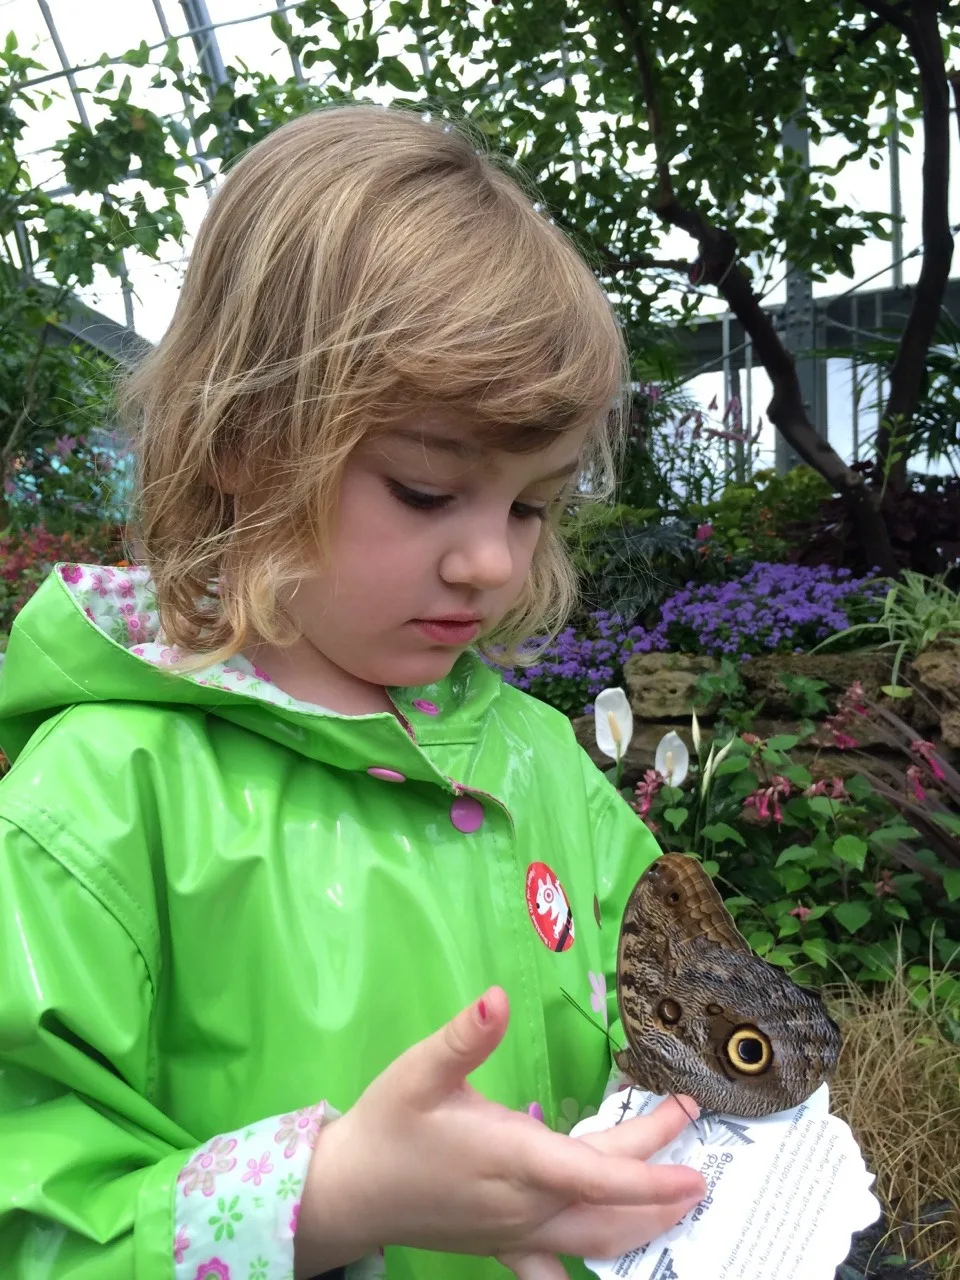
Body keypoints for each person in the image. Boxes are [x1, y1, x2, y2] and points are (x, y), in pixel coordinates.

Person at [0, 106, 705, 1280]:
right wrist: (329, 1196)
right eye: (426, 488)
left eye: (531, 504)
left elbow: (663, 1003)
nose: (492, 560)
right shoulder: (96, 803)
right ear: (241, 437)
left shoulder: (535, 756)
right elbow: (32, 1217)